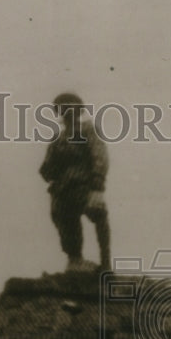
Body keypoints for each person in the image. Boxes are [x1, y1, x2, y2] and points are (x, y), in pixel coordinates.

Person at [39, 92, 111, 271]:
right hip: (62, 190)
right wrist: (51, 169)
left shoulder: (87, 129)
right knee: (65, 223)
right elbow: (47, 168)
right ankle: (75, 260)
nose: (68, 112)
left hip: (84, 185)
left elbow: (99, 154)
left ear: (79, 111)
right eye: (63, 109)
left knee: (98, 215)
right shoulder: (58, 140)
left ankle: (106, 262)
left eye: (72, 108)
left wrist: (97, 182)